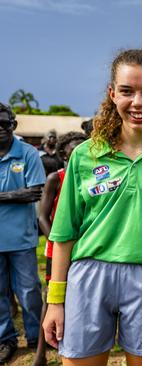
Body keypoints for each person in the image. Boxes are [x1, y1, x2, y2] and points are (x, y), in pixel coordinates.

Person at [42, 49, 142, 365]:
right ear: (112, 94)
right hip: (89, 277)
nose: (138, 102)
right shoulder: (86, 155)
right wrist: (56, 302)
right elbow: (63, 233)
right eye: (127, 91)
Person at [33, 131, 87, 366]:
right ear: (64, 153)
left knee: (79, 295)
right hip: (59, 247)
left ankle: (74, 343)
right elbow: (42, 216)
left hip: (84, 248)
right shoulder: (57, 177)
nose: (77, 153)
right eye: (72, 150)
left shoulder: (93, 176)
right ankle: (40, 353)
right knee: (52, 297)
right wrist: (56, 241)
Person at [0, 102, 45, 364]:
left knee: (28, 290)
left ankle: (35, 336)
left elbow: (33, 192)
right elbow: (22, 193)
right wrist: (13, 196)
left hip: (22, 239)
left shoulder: (27, 153)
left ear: (14, 125)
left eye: (5, 124)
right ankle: (5, 340)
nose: (1, 129)